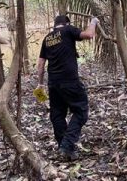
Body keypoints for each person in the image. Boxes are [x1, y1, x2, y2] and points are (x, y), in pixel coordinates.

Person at [37, 15, 99, 161]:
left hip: (53, 83)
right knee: (81, 111)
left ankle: (64, 149)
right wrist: (94, 22)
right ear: (66, 24)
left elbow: (40, 65)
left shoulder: (47, 38)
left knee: (57, 115)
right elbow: (89, 35)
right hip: (70, 81)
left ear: (54, 25)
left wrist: (40, 84)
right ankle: (67, 145)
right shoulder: (68, 30)